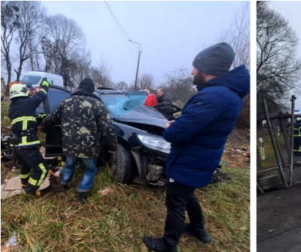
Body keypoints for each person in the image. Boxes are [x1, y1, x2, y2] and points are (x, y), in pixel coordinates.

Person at [142, 42, 249, 252]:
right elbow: (199, 124)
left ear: (206, 69)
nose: (192, 71)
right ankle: (199, 229)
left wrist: (170, 127)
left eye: (195, 67)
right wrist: (182, 123)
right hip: (202, 157)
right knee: (188, 196)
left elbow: (178, 133)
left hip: (189, 159)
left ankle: (168, 244)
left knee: (175, 203)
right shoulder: (227, 94)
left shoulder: (213, 96)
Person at [44, 78, 117, 204]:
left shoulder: (66, 101)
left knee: (69, 164)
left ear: (79, 87)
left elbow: (54, 118)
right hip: (89, 146)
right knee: (90, 169)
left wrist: (43, 123)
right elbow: (107, 128)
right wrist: (112, 146)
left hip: (69, 143)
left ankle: (64, 183)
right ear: (92, 89)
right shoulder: (97, 104)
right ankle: (82, 193)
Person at [8, 80, 50, 196]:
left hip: (19, 145)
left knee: (26, 165)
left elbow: (25, 120)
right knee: (42, 169)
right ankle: (30, 191)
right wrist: (45, 86)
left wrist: (39, 118)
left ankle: (25, 184)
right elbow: (41, 95)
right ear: (23, 92)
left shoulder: (14, 107)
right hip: (28, 144)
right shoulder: (27, 102)